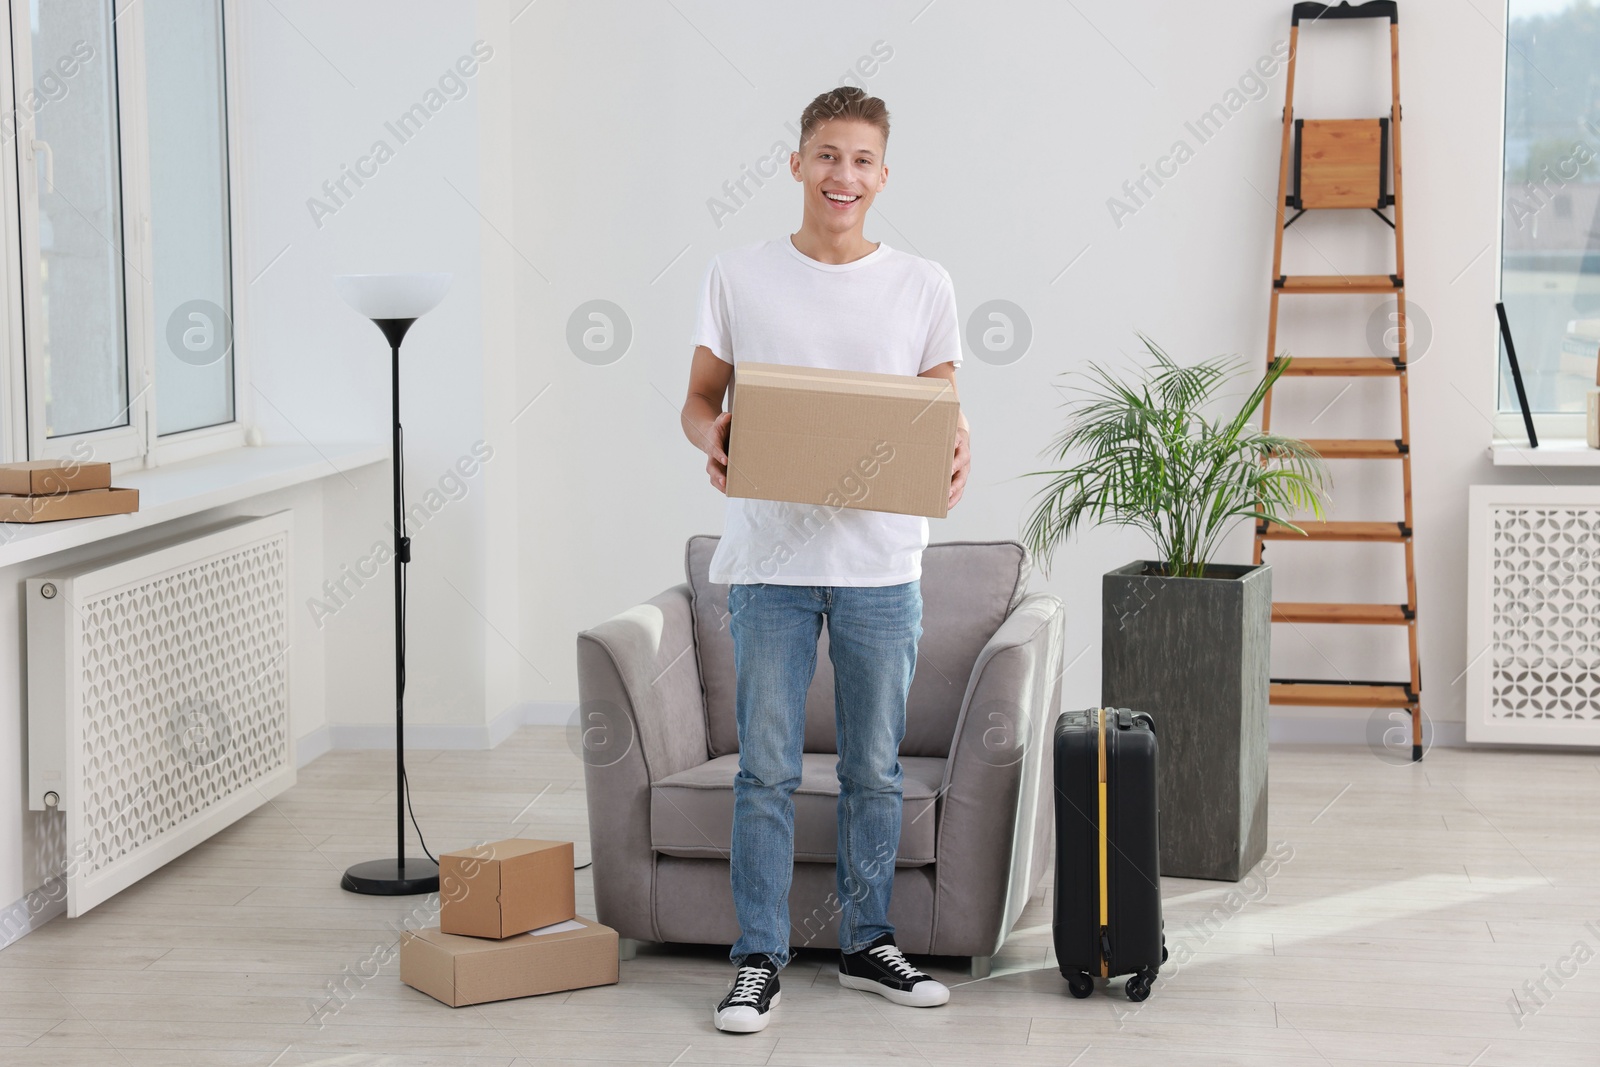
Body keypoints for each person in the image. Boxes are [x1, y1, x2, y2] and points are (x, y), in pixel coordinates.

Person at [680, 85, 971, 1035]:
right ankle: (757, 955)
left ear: (883, 176)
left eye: (860, 161)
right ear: (797, 162)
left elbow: (941, 410)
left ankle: (865, 941)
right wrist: (711, 435)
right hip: (769, 557)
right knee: (764, 768)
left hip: (882, 560)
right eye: (826, 155)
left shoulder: (924, 283)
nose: (842, 175)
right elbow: (698, 400)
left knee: (873, 770)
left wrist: (959, 442)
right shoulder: (739, 273)